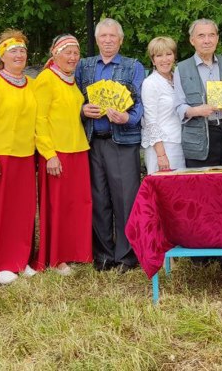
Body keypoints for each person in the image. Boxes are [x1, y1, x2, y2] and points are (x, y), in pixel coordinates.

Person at [75, 18, 145, 272]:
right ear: (96, 40)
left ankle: (127, 255)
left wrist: (127, 117)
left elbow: (138, 104)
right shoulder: (84, 67)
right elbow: (72, 100)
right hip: (93, 141)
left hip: (123, 141)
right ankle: (103, 254)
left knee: (126, 199)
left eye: (112, 36)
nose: (107, 40)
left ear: (121, 40)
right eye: (103, 36)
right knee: (98, 199)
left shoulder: (133, 66)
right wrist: (82, 110)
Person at [172, 18, 222, 271]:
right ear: (192, 40)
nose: (207, 40)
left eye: (212, 35)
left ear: (217, 38)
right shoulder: (182, 68)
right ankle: (202, 251)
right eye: (201, 36)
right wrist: (195, 110)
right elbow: (178, 105)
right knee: (201, 196)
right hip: (199, 138)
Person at [0, 30, 38, 285]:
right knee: (0, 210)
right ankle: (2, 263)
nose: (19, 55)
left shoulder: (32, 84)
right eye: (13, 51)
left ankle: (21, 260)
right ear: (2, 55)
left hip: (25, 155)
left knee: (23, 211)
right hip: (0, 155)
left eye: (22, 51)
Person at [32, 34, 93, 275]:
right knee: (58, 206)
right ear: (54, 54)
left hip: (77, 148)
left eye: (76, 52)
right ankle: (56, 257)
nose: (73, 57)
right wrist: (49, 154)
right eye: (67, 52)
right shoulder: (47, 79)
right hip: (57, 152)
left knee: (77, 204)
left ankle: (74, 251)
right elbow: (40, 119)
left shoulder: (70, 79)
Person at [141, 36, 186, 173]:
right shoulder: (150, 83)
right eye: (159, 55)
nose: (165, 59)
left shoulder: (178, 78)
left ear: (174, 56)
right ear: (153, 60)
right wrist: (161, 155)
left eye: (168, 54)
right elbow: (150, 121)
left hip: (180, 143)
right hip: (162, 147)